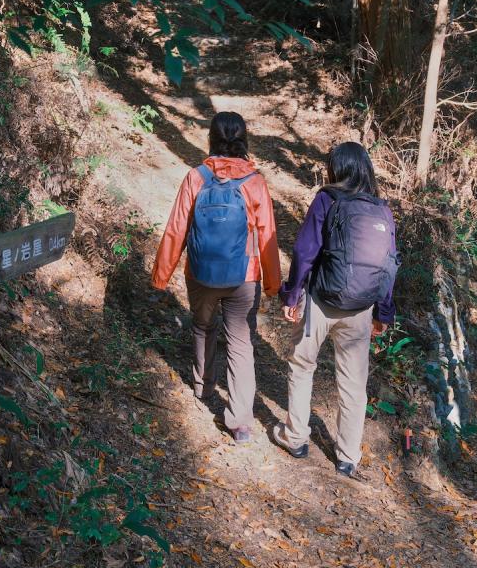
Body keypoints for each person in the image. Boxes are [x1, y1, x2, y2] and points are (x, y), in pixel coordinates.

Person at [152, 111, 282, 444]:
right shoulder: (254, 182)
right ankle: (239, 421)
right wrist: (272, 283)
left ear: (211, 137)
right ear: (244, 139)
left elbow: (176, 228)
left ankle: (203, 386)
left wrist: (161, 276)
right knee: (240, 342)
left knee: (202, 325)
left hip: (201, 273)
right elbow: (267, 235)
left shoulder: (196, 177)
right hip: (244, 275)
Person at [272, 142, 399, 477]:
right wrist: (382, 313)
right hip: (361, 306)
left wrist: (292, 294)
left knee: (302, 365)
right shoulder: (382, 211)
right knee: (354, 384)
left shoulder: (327, 199)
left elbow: (305, 251)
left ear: (336, 168)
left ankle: (296, 438)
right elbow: (389, 266)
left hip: (321, 299)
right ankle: (347, 456)